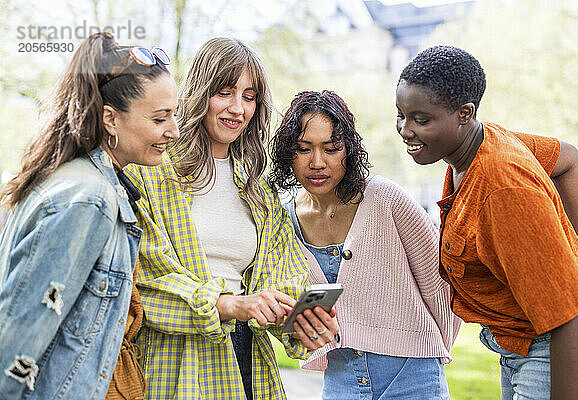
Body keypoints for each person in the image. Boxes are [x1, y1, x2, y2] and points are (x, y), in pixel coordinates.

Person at [124, 37, 338, 400]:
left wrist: (297, 321)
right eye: (225, 92)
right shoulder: (152, 173)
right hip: (172, 365)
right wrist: (227, 304)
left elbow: (282, 280)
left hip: (246, 365)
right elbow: (145, 280)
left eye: (249, 96)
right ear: (199, 93)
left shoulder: (260, 192)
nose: (238, 108)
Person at [396, 45, 578, 399]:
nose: (405, 130)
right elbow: (567, 159)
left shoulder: (502, 189)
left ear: (464, 114)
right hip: (518, 344)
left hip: (554, 351)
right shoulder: (477, 145)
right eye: (400, 115)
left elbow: (573, 317)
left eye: (421, 120)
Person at [0, 32, 178, 400]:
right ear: (111, 119)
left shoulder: (83, 183)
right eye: (160, 119)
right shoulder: (89, 200)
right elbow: (18, 337)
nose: (172, 132)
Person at [269, 90, 460, 399]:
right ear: (288, 154)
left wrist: (424, 344)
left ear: (348, 151)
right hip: (341, 380)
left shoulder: (386, 199)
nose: (317, 162)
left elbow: (441, 284)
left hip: (412, 376)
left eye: (331, 149)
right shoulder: (283, 219)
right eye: (304, 149)